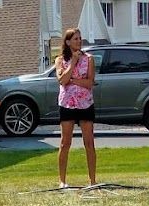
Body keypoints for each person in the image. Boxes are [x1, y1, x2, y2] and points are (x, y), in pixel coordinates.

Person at [55, 28, 97, 189]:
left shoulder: (89, 59)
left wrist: (72, 80)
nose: (79, 41)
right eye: (75, 39)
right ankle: (62, 181)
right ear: (67, 42)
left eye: (80, 38)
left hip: (85, 104)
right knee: (65, 143)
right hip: (67, 104)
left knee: (89, 143)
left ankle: (92, 181)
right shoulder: (60, 60)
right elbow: (62, 80)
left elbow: (89, 82)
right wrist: (73, 62)